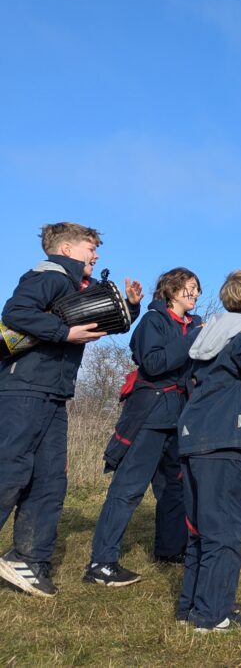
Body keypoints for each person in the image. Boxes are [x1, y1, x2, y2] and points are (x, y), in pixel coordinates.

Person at [0, 222, 142, 598]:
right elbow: (15, 313)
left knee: (49, 480)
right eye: (89, 248)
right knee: (10, 471)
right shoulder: (47, 275)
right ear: (65, 249)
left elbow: (102, 320)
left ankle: (28, 561)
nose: (95, 255)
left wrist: (130, 306)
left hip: (52, 392)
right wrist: (64, 334)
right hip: (23, 389)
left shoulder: (74, 286)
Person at [83, 268, 204, 586]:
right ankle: (101, 563)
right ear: (172, 290)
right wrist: (192, 341)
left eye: (197, 290)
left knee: (174, 489)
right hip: (149, 415)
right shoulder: (154, 321)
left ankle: (170, 550)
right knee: (128, 490)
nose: (194, 294)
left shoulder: (194, 325)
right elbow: (152, 364)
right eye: (189, 288)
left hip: (179, 418)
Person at [175, 270, 241, 632]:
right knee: (226, 528)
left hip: (193, 433)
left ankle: (192, 606)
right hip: (226, 438)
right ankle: (213, 614)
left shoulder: (206, 331)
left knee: (199, 528)